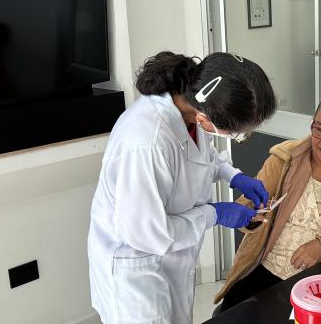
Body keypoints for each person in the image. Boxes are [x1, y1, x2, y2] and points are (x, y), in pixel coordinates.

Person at [87, 51, 276, 324]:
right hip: (136, 270)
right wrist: (214, 213)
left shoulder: (189, 110)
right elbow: (147, 233)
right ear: (206, 117)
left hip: (169, 262)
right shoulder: (145, 143)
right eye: (238, 133)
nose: (239, 138)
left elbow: (201, 156)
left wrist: (233, 176)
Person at [213, 93, 321, 314]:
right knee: (232, 314)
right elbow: (247, 207)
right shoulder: (285, 158)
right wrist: (249, 215)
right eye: (319, 129)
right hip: (271, 271)